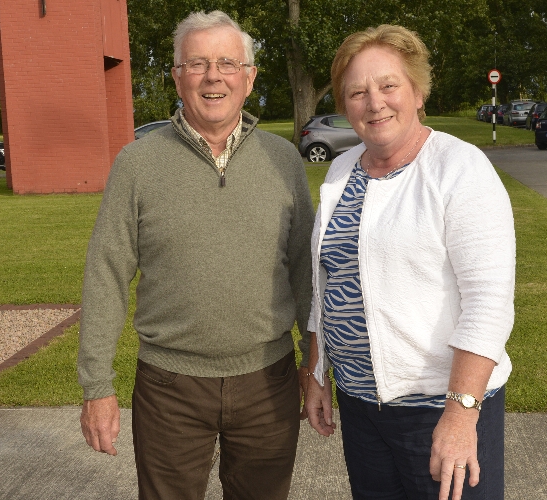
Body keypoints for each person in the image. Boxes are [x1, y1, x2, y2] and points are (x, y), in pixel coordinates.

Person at [77, 10, 314, 500]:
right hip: (169, 388)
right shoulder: (137, 164)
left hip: (268, 383)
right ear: (177, 76)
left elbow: (306, 275)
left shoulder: (284, 161)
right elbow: (106, 274)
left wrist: (315, 366)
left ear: (249, 78)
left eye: (227, 63)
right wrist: (96, 386)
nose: (213, 76)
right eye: (197, 63)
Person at [304, 25, 515, 500]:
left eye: (388, 85)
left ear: (418, 93)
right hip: (361, 408)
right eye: (357, 92)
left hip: (437, 410)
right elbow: (326, 282)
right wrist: (316, 372)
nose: (374, 102)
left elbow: (489, 304)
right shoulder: (341, 170)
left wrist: (460, 414)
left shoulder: (459, 167)